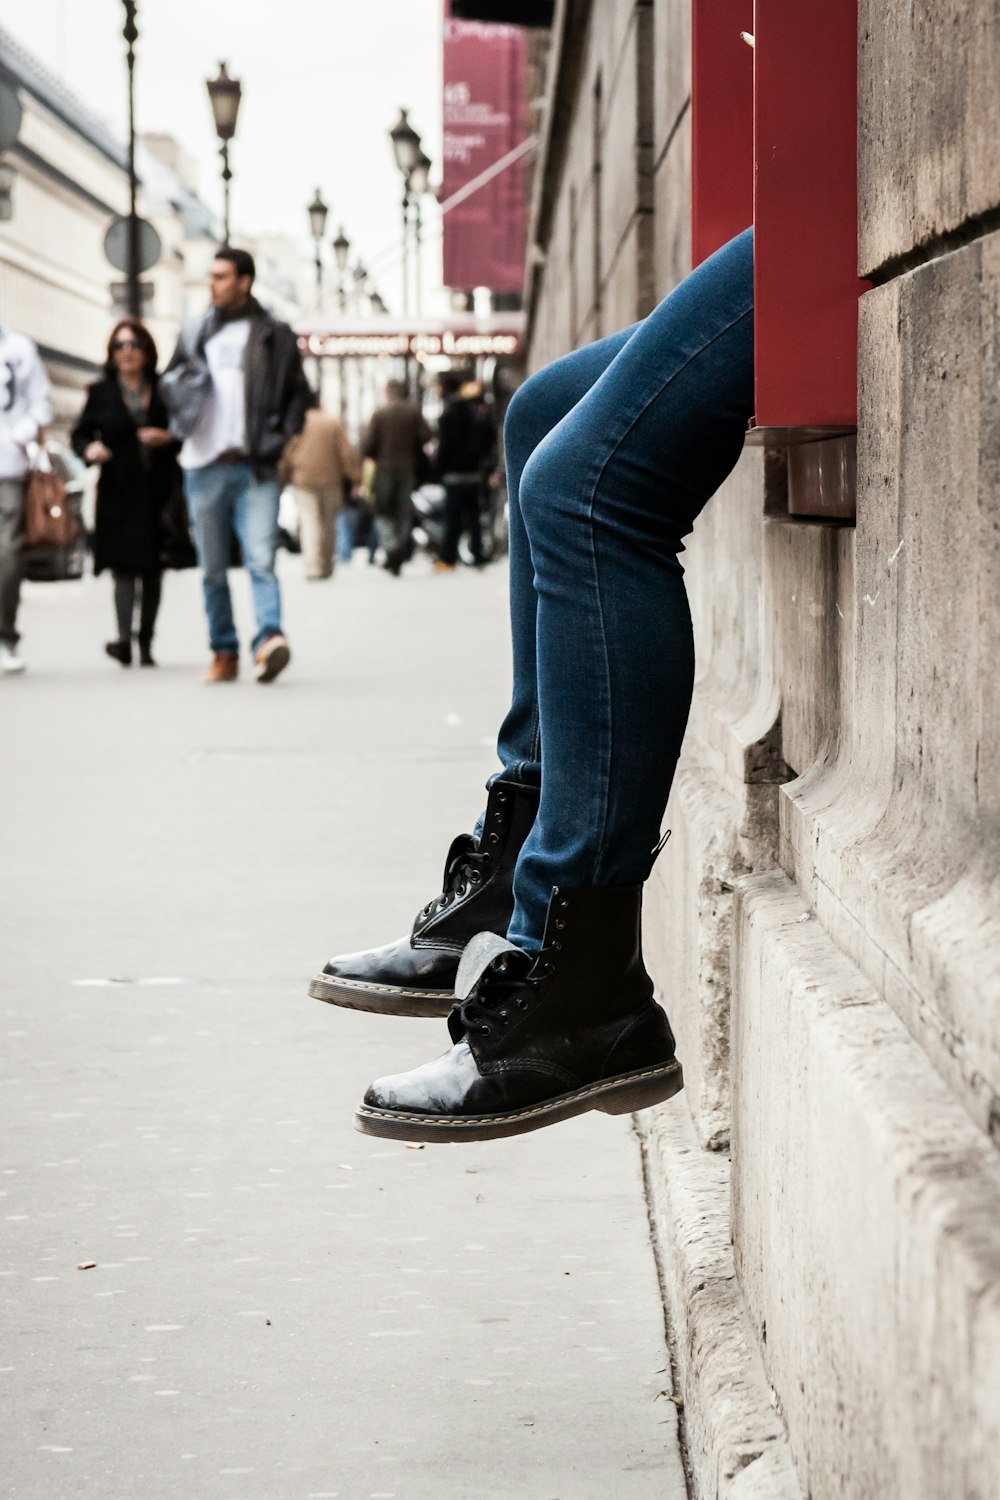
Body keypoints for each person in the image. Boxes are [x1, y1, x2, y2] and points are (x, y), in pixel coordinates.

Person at [310, 228, 756, 1144]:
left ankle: (584, 973)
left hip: (831, 213)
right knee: (541, 414)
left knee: (583, 490)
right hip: (792, 210)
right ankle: (519, 845)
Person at [160, 246, 311, 684]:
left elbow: (297, 394)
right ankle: (223, 651)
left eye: (221, 277)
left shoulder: (273, 333)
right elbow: (169, 382)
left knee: (261, 558)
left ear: (244, 281)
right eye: (210, 276)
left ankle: (268, 640)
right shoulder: (194, 331)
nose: (212, 284)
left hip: (255, 466)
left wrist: (281, 439)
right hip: (202, 463)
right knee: (211, 568)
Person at [72, 319, 178, 667]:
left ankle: (146, 640)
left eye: (133, 344)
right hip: (118, 489)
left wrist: (167, 437)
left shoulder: (164, 388)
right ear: (112, 353)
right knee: (123, 567)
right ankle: (123, 640)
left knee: (152, 567)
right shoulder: (101, 392)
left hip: (157, 488)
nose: (127, 351)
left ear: (146, 350)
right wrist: (89, 450)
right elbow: (81, 435)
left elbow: (185, 428)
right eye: (119, 345)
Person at [0, 325, 53, 675]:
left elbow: (41, 404)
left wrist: (20, 435)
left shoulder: (19, 348)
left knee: (7, 552)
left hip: (9, 467)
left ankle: (4, 637)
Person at [282, 402, 360, 580]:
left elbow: (287, 453)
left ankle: (312, 566)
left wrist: (283, 477)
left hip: (303, 479)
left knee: (309, 521)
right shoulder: (332, 423)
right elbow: (346, 452)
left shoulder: (297, 423)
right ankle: (326, 565)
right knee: (328, 523)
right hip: (330, 479)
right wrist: (355, 477)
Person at [362, 379, 430, 577]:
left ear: (388, 392)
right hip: (407, 469)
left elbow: (367, 445)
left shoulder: (380, 413)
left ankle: (391, 547)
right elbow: (426, 435)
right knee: (403, 513)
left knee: (382, 511)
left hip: (384, 470)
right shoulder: (413, 412)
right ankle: (399, 547)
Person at [433, 372, 495, 572]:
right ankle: (478, 556)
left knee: (452, 518)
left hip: (454, 475)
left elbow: (444, 446)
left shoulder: (448, 414)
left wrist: (438, 469)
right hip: (474, 473)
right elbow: (489, 436)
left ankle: (448, 559)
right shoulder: (473, 411)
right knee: (474, 517)